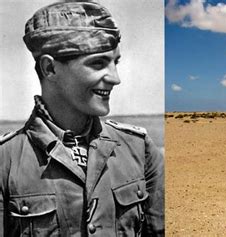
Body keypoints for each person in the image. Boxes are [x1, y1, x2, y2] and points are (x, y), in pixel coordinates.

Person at [0, 2, 164, 236]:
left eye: (114, 63)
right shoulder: (5, 161)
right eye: (98, 63)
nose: (115, 78)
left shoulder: (139, 149)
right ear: (50, 69)